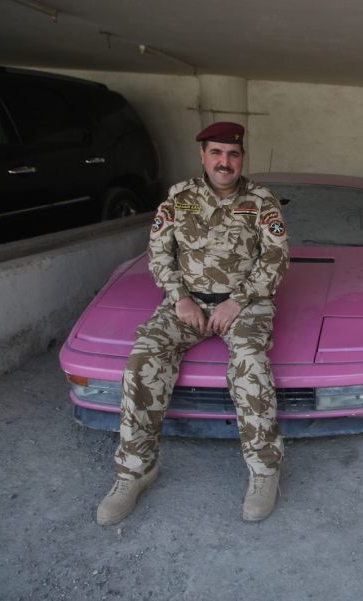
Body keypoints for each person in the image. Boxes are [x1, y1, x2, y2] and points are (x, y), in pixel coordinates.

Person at [96, 121, 289, 525]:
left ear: (241, 159)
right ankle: (136, 470)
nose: (225, 161)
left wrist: (238, 301)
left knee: (251, 365)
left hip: (246, 303)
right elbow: (159, 251)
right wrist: (180, 298)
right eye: (217, 153)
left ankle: (264, 471)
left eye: (233, 154)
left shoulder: (260, 200)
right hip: (187, 303)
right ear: (202, 155)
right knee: (142, 360)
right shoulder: (180, 198)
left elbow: (275, 258)